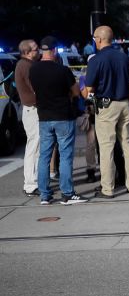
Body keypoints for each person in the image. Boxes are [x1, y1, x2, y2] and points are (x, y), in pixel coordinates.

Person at [29, 36, 88, 205]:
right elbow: (76, 92)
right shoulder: (62, 70)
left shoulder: (33, 70)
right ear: (54, 51)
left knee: (44, 156)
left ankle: (45, 195)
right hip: (63, 116)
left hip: (44, 117)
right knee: (65, 155)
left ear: (42, 50)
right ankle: (67, 194)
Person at [82, 25, 129, 198]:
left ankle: (107, 188)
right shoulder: (124, 58)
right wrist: (128, 104)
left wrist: (83, 90)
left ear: (99, 39)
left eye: (94, 39)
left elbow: (89, 90)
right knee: (127, 145)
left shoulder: (95, 60)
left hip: (106, 107)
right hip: (124, 103)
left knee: (107, 148)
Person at [15, 39, 41, 197]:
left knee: (36, 146)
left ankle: (34, 180)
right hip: (33, 109)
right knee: (34, 147)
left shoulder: (23, 65)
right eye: (35, 49)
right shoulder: (26, 66)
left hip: (31, 109)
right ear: (27, 52)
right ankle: (31, 184)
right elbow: (36, 87)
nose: (38, 51)